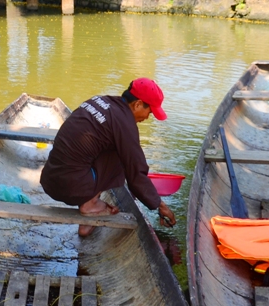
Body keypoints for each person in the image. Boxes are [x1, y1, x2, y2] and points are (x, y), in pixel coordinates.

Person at [40, 78, 177, 238]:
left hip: (50, 180)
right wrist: (159, 205)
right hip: (70, 188)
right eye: (150, 111)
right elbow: (136, 174)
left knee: (114, 147)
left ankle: (87, 219)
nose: (148, 117)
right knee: (124, 154)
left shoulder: (99, 101)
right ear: (138, 104)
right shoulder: (124, 125)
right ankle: (89, 204)